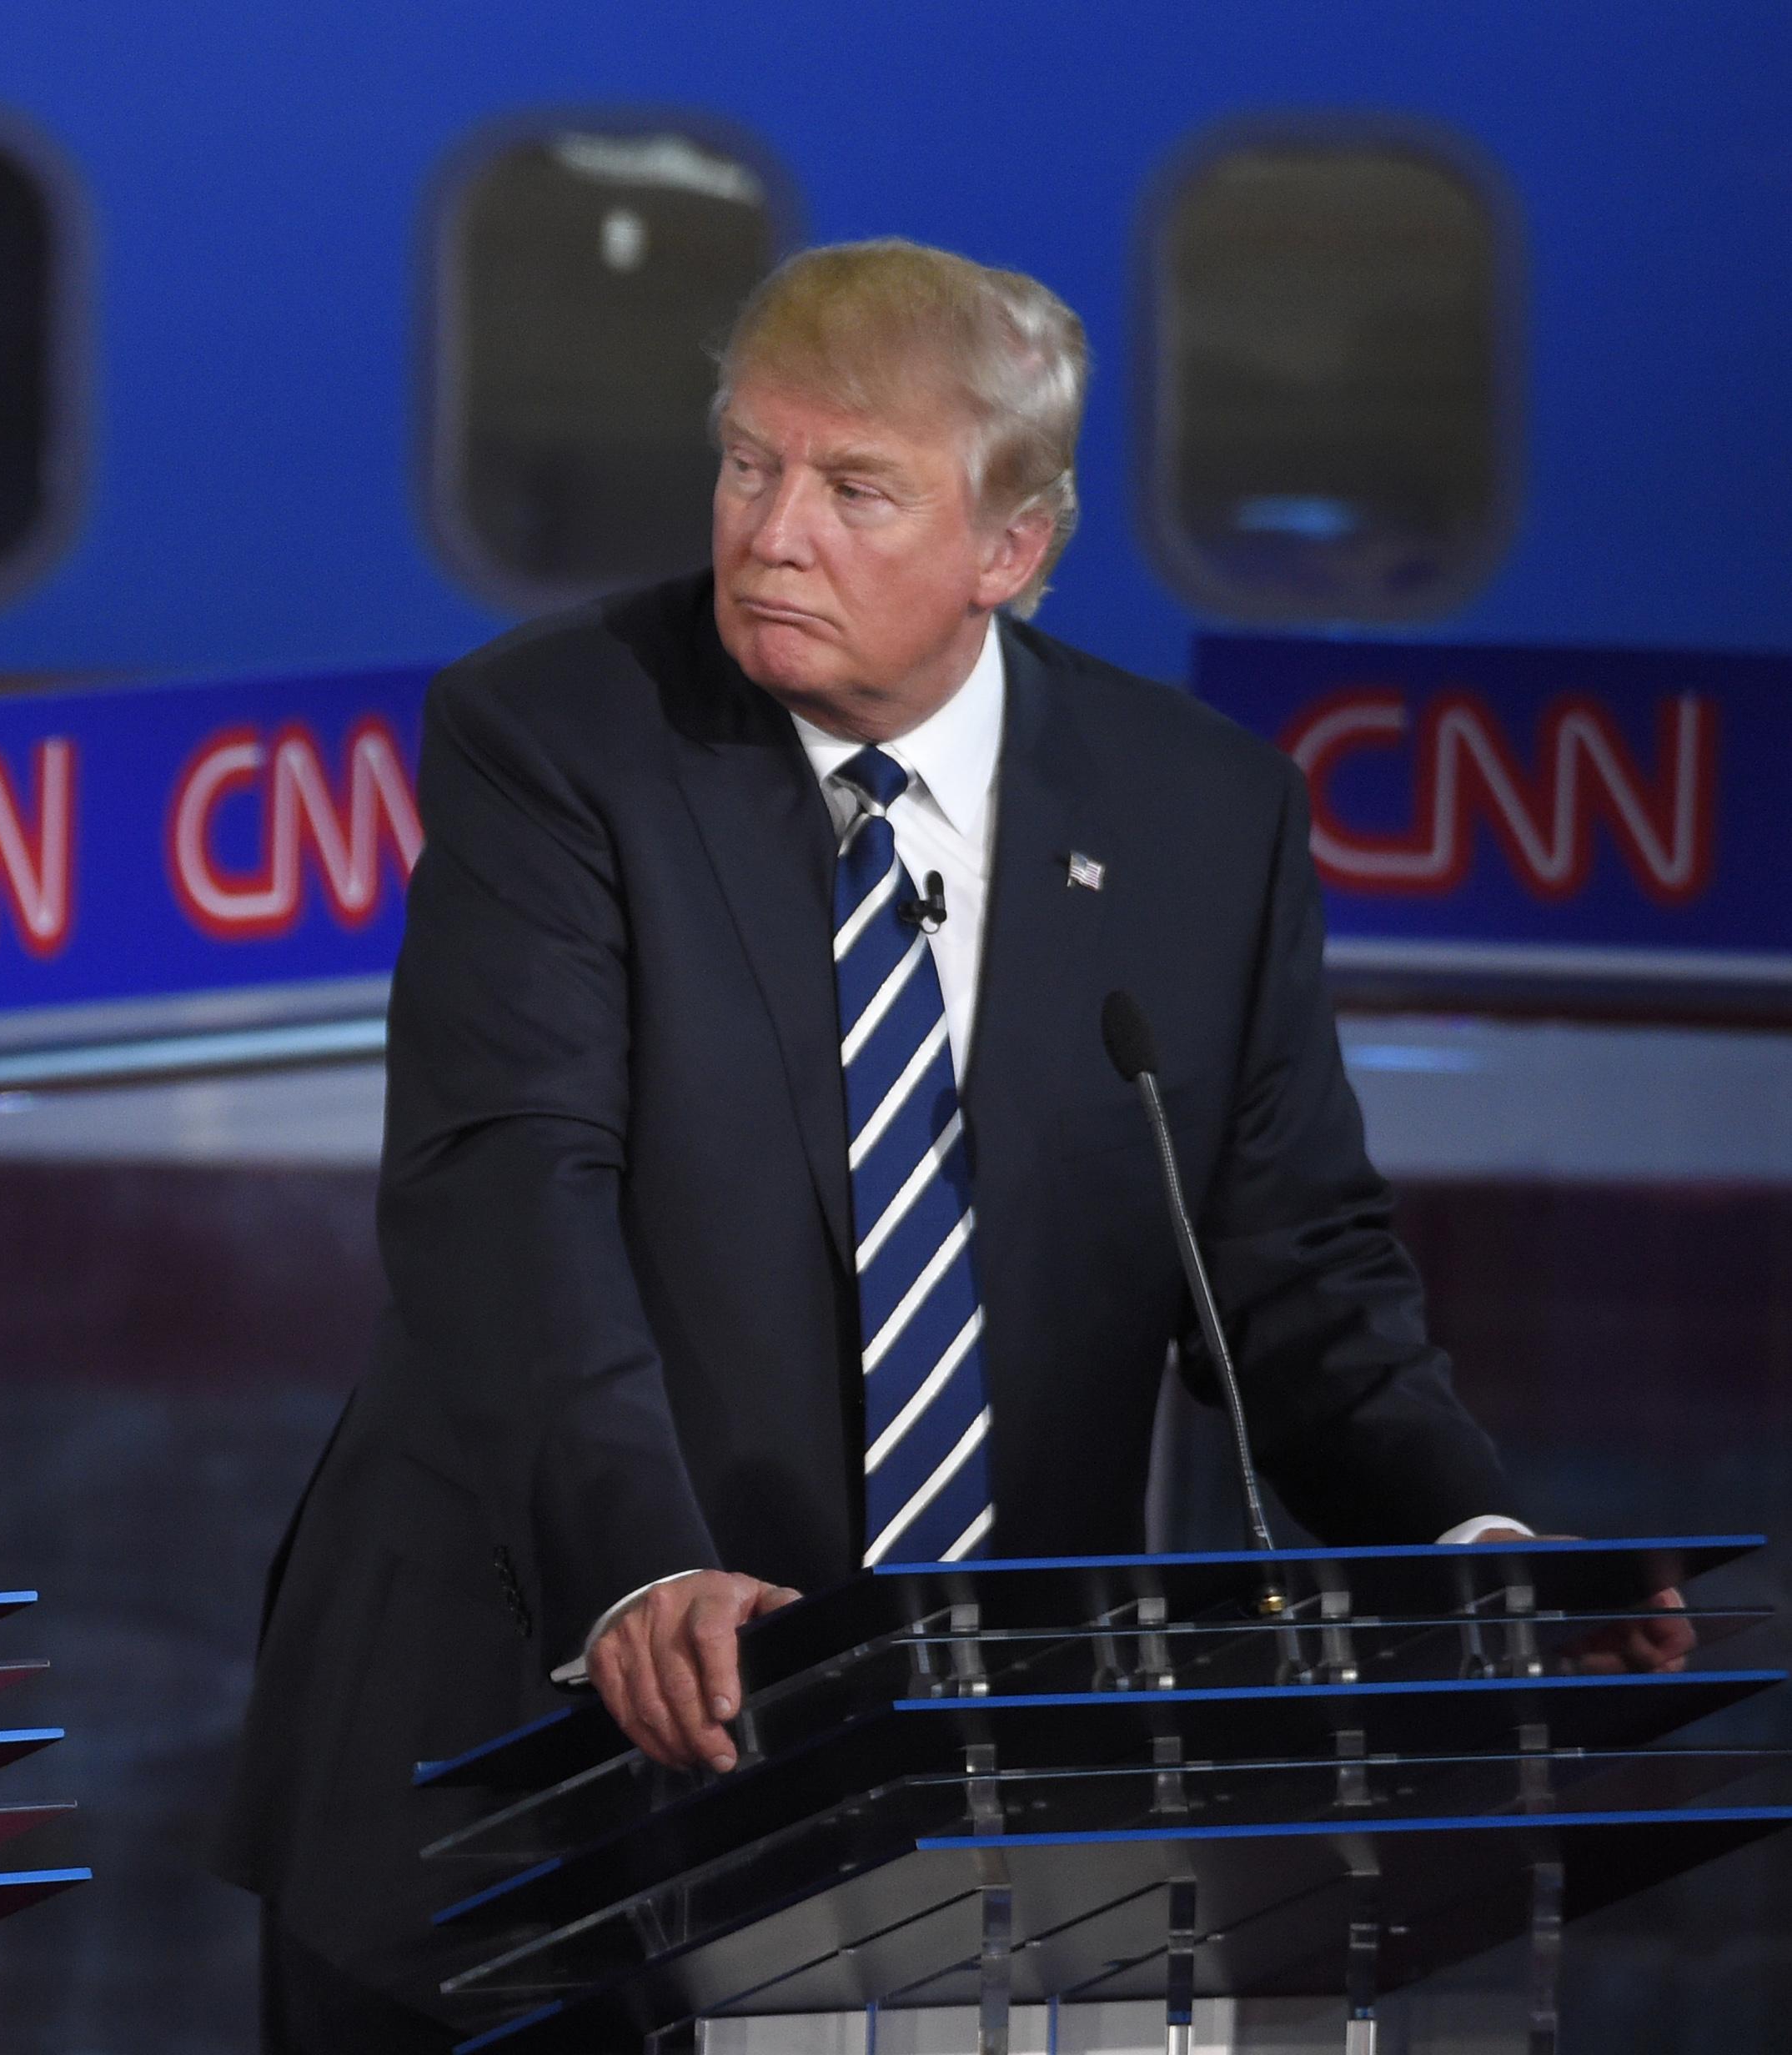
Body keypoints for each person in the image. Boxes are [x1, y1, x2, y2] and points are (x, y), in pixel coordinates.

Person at [213, 239, 1689, 2051]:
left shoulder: (1199, 816)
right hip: (525, 1756)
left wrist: (1470, 1541)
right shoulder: (557, 736)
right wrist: (640, 1570)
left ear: (1012, 545)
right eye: (748, 464)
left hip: (969, 1821)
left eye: (855, 491)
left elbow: (1291, 1263)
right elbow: (512, 1195)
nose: (771, 534)